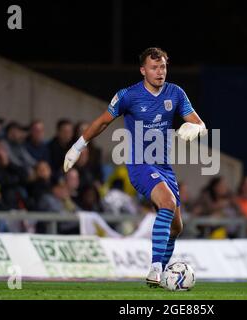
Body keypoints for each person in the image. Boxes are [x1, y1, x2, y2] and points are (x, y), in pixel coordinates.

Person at [63, 47, 207, 287]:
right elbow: (102, 122)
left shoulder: (176, 93)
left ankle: (160, 279)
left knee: (177, 227)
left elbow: (198, 122)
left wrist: (198, 128)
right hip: (139, 164)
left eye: (162, 67)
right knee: (168, 203)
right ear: (143, 70)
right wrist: (78, 146)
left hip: (164, 167)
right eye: (154, 67)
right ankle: (155, 268)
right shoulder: (128, 96)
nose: (160, 72)